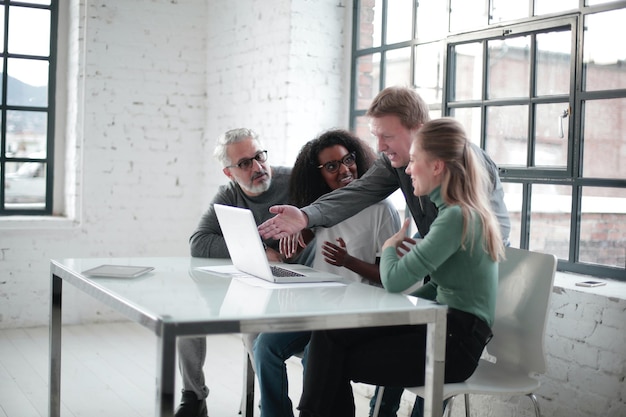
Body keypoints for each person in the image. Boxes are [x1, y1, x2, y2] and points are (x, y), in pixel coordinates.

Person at [257, 86, 510, 417]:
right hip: (436, 298)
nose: (379, 147)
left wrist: (408, 249)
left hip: (458, 318)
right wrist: (306, 215)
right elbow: (359, 192)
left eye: (386, 136)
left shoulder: (464, 177)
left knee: (336, 355)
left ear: (418, 130)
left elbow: (484, 239)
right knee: (330, 339)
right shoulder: (402, 166)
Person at [253, 129, 401, 417]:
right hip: (317, 305)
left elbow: (389, 276)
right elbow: (307, 259)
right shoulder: (318, 209)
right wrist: (295, 250)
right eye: (332, 166)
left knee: (316, 357)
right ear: (318, 173)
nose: (344, 170)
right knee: (264, 347)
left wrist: (349, 262)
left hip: (355, 310)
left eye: (348, 160)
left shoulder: (382, 210)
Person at [178, 127, 302, 417]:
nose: (257, 167)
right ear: (229, 172)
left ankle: (268, 406)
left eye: (259, 156)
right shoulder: (228, 194)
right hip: (254, 284)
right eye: (245, 163)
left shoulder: (294, 181)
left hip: (296, 285)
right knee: (187, 313)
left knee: (253, 333)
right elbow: (199, 242)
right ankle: (194, 396)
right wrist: (263, 252)